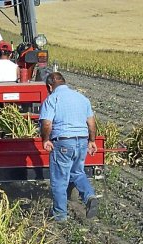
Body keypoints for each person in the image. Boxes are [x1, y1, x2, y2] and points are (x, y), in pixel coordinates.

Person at [39, 72, 98, 222]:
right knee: (77, 172)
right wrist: (92, 141)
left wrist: (45, 140)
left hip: (63, 141)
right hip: (82, 140)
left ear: (49, 86)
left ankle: (60, 216)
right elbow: (91, 123)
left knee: (59, 179)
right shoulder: (82, 98)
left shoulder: (52, 99)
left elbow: (47, 123)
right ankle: (89, 195)